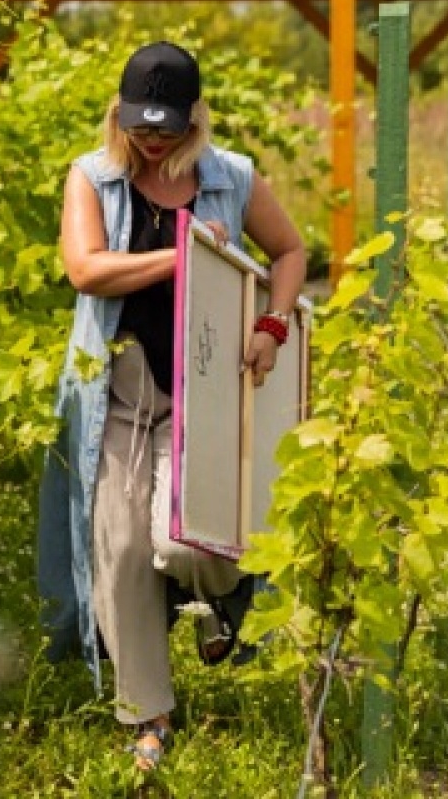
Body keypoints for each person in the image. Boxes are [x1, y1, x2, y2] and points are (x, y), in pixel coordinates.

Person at [37, 41, 307, 771]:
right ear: (118, 116)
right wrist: (185, 251)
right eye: (139, 127)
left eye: (167, 128)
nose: (152, 141)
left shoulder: (232, 178)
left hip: (202, 394)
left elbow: (289, 252)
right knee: (122, 552)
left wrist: (273, 324)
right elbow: (85, 269)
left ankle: (215, 599)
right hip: (116, 394)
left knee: (193, 543)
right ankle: (148, 716)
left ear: (195, 119)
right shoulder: (92, 177)